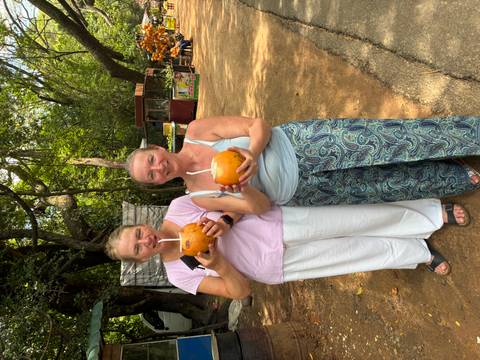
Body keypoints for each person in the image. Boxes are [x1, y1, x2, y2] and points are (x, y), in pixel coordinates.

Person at [105, 195, 469, 300]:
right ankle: (419, 253)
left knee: (356, 218)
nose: (144, 241)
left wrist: (223, 221)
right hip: (275, 266)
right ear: (139, 260)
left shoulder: (180, 207)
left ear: (141, 225)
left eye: (137, 234)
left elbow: (237, 200)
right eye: (137, 248)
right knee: (354, 254)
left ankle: (430, 214)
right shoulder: (179, 273)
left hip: (277, 222)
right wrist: (218, 263)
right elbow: (239, 291)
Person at [126, 116, 480, 214]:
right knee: (382, 185)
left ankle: (468, 136)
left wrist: (251, 153)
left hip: (303, 144)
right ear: (157, 184)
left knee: (385, 139)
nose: (159, 169)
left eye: (152, 161)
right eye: (152, 176)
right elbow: (263, 209)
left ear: (158, 148)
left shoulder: (199, 132)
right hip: (303, 191)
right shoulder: (200, 196)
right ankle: (456, 175)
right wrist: (245, 190)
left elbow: (257, 124)